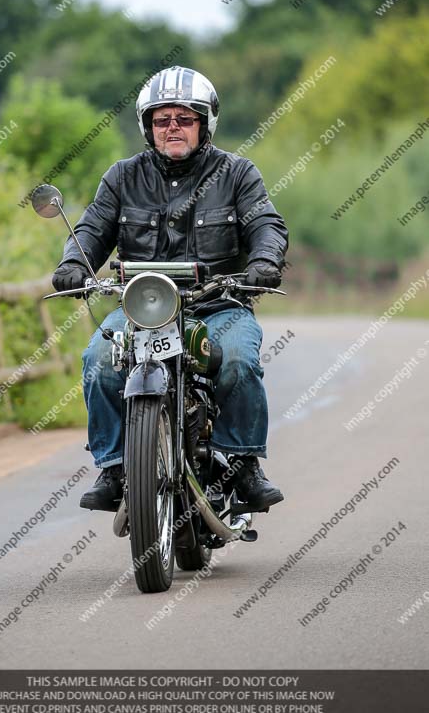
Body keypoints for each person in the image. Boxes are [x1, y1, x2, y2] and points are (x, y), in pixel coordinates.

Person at [52, 66, 289, 513]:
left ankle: (242, 464)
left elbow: (266, 223)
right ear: (148, 127)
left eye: (184, 117)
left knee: (238, 360)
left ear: (205, 123)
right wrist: (72, 263)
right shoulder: (122, 177)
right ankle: (117, 467)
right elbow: (92, 228)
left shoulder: (237, 173)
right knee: (98, 361)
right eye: (162, 120)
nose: (173, 127)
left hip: (218, 306)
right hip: (144, 309)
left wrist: (264, 261)